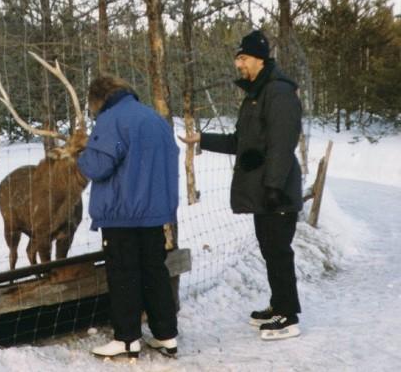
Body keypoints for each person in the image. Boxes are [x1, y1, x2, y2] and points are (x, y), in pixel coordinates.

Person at [184, 30, 303, 340]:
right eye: (238, 58)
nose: (239, 65)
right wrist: (203, 139)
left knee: (278, 251)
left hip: (276, 193)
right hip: (266, 191)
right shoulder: (256, 94)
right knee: (271, 249)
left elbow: (282, 143)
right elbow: (243, 141)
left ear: (259, 59)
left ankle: (287, 316)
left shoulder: (277, 92)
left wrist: (274, 186)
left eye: (243, 58)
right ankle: (279, 305)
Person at [77, 76, 180, 359]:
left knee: (123, 273)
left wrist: (82, 155)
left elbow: (98, 167)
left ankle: (126, 338)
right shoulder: (155, 119)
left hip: (122, 213)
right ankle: (166, 335)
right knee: (154, 272)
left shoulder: (111, 120)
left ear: (98, 98)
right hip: (153, 213)